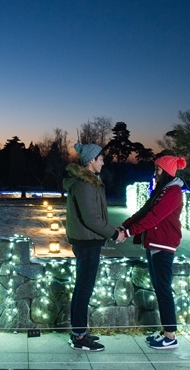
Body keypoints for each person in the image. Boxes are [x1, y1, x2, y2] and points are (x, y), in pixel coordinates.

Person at [63, 142, 127, 352]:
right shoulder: (84, 184)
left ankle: (79, 332)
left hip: (88, 241)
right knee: (84, 289)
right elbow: (91, 219)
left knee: (83, 287)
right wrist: (114, 234)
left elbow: (95, 216)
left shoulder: (90, 182)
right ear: (91, 160)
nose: (103, 161)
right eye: (101, 158)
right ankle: (79, 337)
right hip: (87, 242)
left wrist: (110, 229)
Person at [122, 155, 187, 350]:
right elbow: (144, 211)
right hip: (154, 244)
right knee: (160, 289)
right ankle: (165, 331)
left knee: (164, 290)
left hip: (164, 245)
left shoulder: (173, 192)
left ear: (166, 171)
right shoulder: (162, 190)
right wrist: (125, 227)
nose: (155, 173)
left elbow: (154, 217)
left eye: (158, 169)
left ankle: (170, 335)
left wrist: (129, 232)